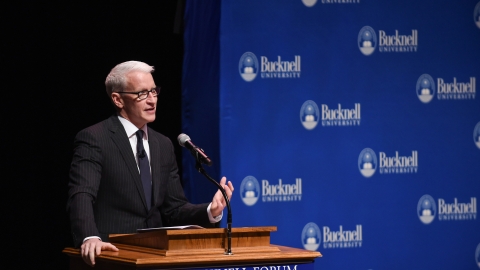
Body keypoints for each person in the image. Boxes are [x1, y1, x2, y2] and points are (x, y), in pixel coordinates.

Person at [67, 60, 234, 267]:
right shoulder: (95, 138)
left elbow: (174, 209)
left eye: (154, 91)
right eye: (142, 94)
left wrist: (211, 210)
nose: (152, 100)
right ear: (118, 99)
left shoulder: (162, 144)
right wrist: (89, 236)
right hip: (111, 256)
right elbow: (82, 195)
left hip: (154, 258)